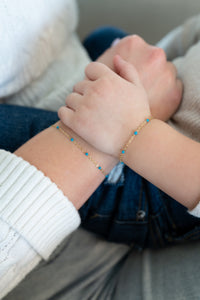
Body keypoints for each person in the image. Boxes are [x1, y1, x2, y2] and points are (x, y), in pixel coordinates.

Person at [1, 1, 200, 298]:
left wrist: (134, 128)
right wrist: (147, 63)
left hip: (162, 182)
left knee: (15, 128)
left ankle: (59, 111)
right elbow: (181, 43)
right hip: (162, 112)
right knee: (104, 37)